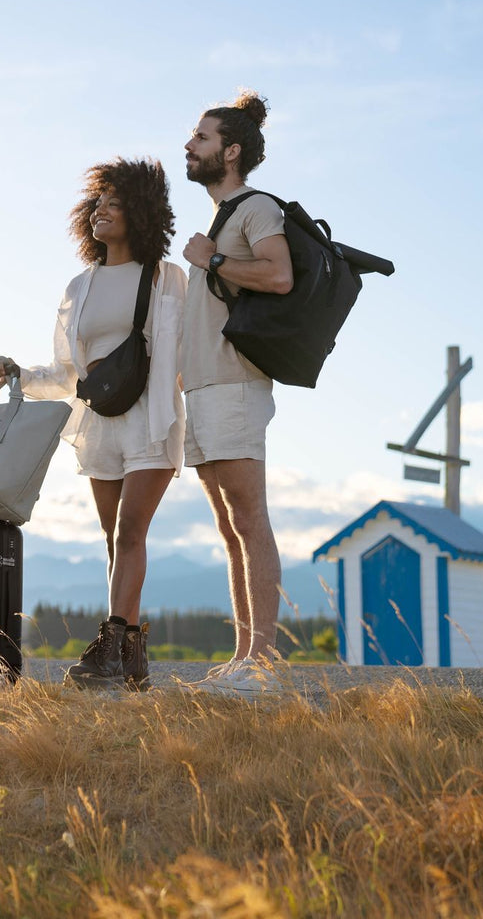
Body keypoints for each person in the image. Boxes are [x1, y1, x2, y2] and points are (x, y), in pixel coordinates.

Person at [0, 157, 186, 691]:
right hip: (100, 421)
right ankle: (133, 651)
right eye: (98, 203)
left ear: (140, 213)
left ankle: (110, 644)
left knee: (130, 531)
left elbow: (187, 353)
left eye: (115, 203)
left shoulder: (167, 278)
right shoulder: (79, 286)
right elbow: (66, 372)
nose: (102, 211)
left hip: (150, 418)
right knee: (110, 536)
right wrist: (21, 375)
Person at [176, 91, 294, 698]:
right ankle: (243, 658)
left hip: (235, 387)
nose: (188, 147)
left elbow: (278, 276)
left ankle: (264, 666)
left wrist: (213, 259)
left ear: (231, 151)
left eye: (200, 138)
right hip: (203, 389)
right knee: (229, 526)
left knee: (249, 519)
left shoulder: (255, 210)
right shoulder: (221, 222)